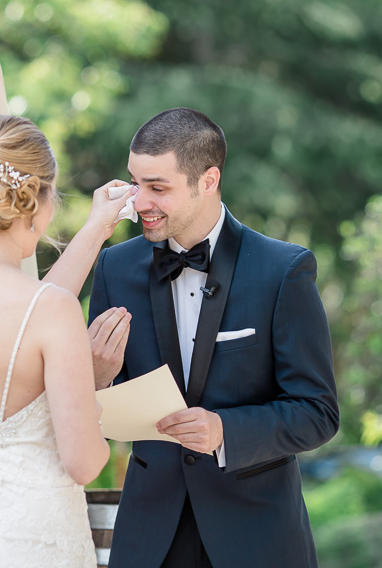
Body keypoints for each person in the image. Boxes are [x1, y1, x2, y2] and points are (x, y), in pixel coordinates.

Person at [88, 107, 340, 568]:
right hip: (149, 537)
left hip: (257, 537)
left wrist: (226, 430)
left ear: (208, 180)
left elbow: (318, 413)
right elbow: (95, 406)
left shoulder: (283, 271)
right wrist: (98, 378)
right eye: (135, 182)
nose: (138, 202)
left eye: (157, 187)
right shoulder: (113, 268)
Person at [0, 114, 135, 567]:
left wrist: (96, 228)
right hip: (30, 542)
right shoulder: (49, 310)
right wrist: (91, 384)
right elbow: (85, 464)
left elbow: (32, 311)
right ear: (36, 199)